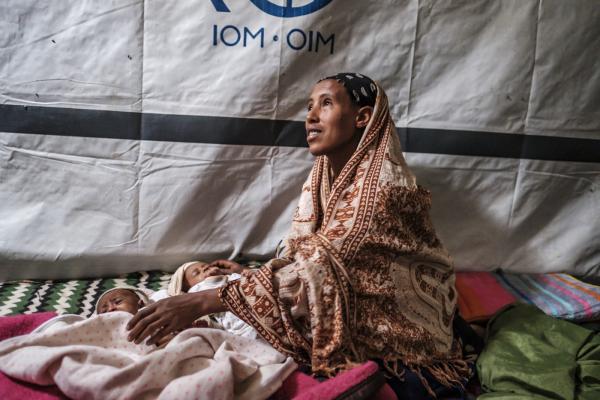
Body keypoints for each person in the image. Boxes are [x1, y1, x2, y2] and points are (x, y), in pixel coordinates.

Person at [127, 73, 470, 398]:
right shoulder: (322, 178)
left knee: (291, 356)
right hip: (351, 290)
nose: (310, 117)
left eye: (326, 104)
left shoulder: (382, 190)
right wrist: (249, 279)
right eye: (309, 107)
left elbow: (318, 265)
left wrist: (203, 300)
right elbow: (303, 255)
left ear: (362, 117)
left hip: (398, 323)